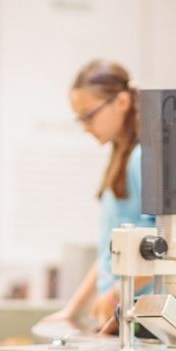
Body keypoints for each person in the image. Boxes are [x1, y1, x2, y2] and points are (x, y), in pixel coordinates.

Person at [36, 60, 154, 335]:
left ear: (122, 102)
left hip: (141, 314)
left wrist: (116, 294)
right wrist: (71, 311)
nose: (85, 127)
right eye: (80, 119)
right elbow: (108, 254)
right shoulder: (119, 159)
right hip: (118, 309)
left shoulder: (142, 159)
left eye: (89, 115)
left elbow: (165, 246)